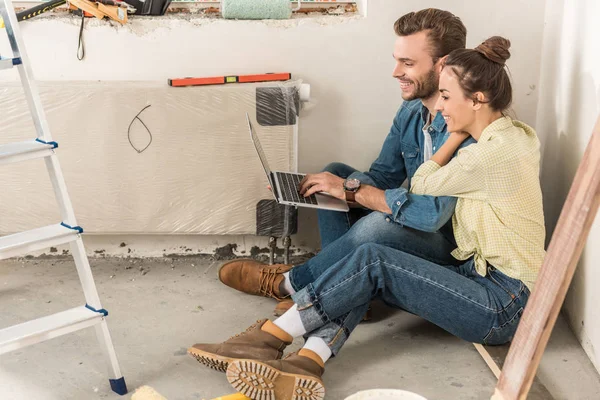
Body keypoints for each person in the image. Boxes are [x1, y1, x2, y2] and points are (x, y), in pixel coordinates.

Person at [188, 36, 546, 400]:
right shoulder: (515, 135)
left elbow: (423, 183)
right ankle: (309, 360)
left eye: (447, 97)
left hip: (504, 304)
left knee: (373, 256)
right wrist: (345, 185)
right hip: (478, 276)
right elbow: (392, 175)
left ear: (477, 99)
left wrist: (451, 138)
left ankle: (269, 335)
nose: (440, 107)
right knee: (365, 262)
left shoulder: (486, 155)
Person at [214, 8, 473, 318]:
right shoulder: (412, 112)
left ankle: (290, 284)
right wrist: (331, 186)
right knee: (335, 172)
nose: (395, 72)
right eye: (396, 60)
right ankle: (346, 293)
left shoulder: (464, 127)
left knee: (377, 223)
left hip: (448, 245)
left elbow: (431, 217)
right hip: (418, 222)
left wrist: (351, 191)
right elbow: (383, 175)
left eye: (407, 63)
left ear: (442, 65)